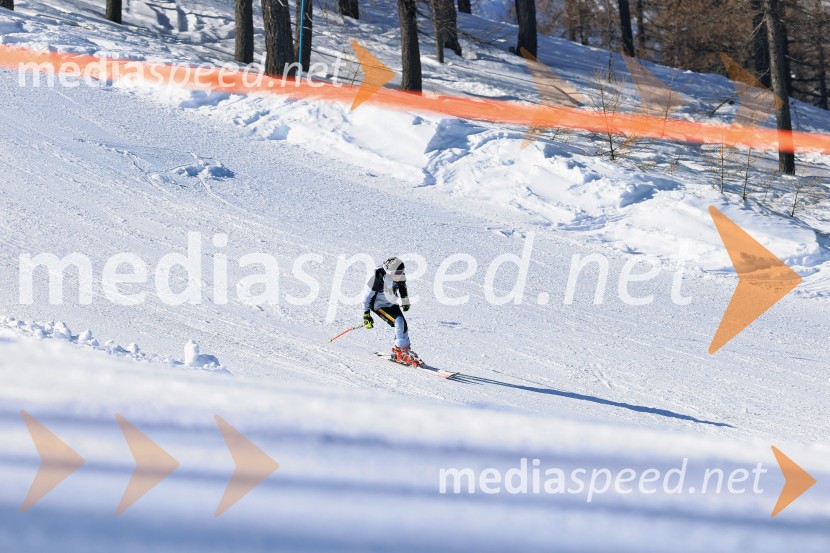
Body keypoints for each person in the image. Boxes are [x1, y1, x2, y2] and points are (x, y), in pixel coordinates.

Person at [362, 256, 423, 367]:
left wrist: (405, 300)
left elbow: (402, 287)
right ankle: (400, 352)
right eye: (397, 272)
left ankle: (404, 349)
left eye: (402, 272)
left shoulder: (399, 277)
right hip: (379, 305)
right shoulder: (376, 280)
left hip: (391, 303)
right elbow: (366, 299)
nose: (400, 275)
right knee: (398, 321)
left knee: (403, 324)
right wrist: (366, 315)